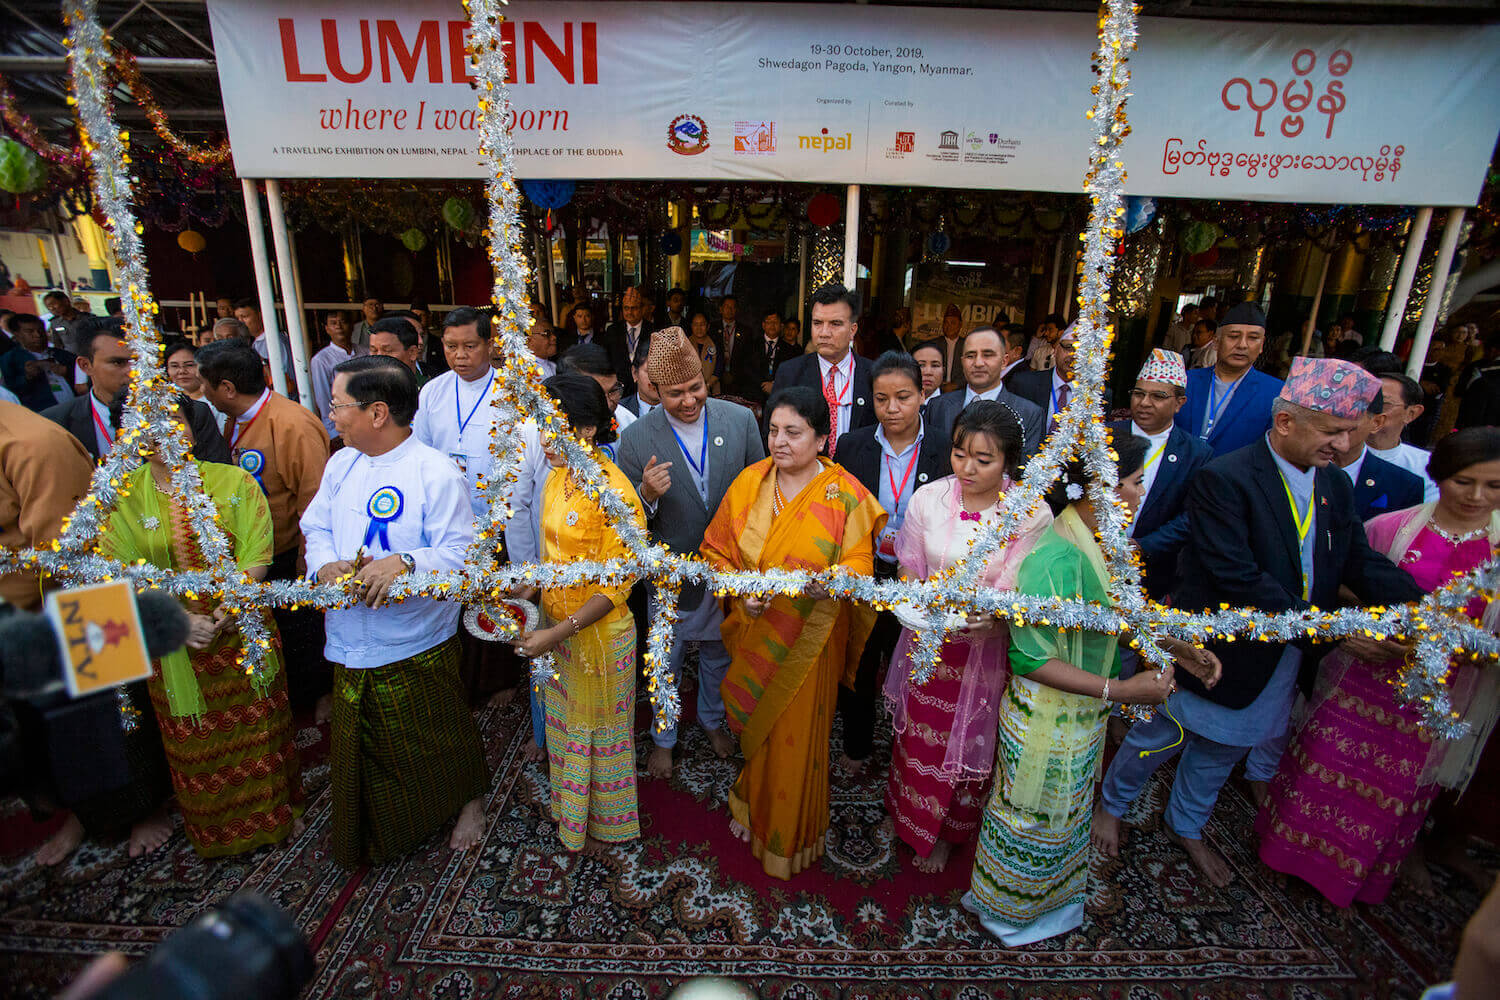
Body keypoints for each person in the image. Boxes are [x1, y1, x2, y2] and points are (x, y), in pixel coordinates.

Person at [1095, 359, 1425, 888]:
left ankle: (1188, 823)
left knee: (1223, 751)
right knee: (1157, 736)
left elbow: (1359, 560)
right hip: (1213, 648)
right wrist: (1335, 630)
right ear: (1287, 422)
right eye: (1332, 432)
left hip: (1282, 654)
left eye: (1349, 432)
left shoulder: (1334, 486)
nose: (1343, 446)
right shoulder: (1224, 479)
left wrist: (1424, 611)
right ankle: (1112, 805)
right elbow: (1238, 577)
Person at [964, 437, 1219, 946]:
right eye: (1133, 481)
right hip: (1046, 718)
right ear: (1099, 488)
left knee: (1064, 811)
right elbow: (1030, 659)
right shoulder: (1055, 558)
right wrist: (1121, 689)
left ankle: (1047, 901)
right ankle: (1009, 912)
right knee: (1032, 818)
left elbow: (1106, 619)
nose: (1140, 491)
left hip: (1080, 713)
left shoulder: (1095, 542)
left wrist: (1176, 646)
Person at [1256, 427, 1500, 906]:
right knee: (1324, 768)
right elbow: (1339, 584)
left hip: (1437, 698)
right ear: (1440, 476)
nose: (1477, 496)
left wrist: (1428, 645)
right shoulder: (1393, 528)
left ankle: (1349, 880)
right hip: (1364, 679)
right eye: (1464, 481)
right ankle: (1284, 857)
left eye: (1494, 486)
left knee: (1394, 792)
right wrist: (1370, 629)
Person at [95, 396, 305, 859]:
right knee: (192, 735)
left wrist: (233, 603)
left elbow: (257, 550)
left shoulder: (232, 481)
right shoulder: (121, 500)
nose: (168, 431)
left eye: (176, 420)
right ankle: (217, 832)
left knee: (261, 724)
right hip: (170, 639)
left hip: (240, 622)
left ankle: (274, 816)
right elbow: (117, 572)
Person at [301, 355, 488, 866]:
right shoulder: (341, 463)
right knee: (364, 741)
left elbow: (462, 555)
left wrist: (405, 561)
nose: (331, 415)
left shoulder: (435, 472)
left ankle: (468, 797)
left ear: (378, 412)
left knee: (436, 731)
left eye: (338, 405)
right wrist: (323, 567)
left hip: (415, 635)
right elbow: (315, 527)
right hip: (348, 630)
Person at [699, 386, 886, 879]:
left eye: (793, 433)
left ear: (823, 439)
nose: (779, 442)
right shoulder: (750, 483)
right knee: (761, 727)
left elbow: (860, 562)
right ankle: (749, 800)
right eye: (773, 431)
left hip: (811, 639)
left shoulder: (846, 494)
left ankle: (791, 829)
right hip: (756, 631)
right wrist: (741, 592)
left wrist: (839, 580)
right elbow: (715, 552)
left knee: (798, 734)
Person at [880, 399, 1044, 872]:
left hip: (985, 650)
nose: (966, 468)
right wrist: (915, 601)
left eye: (983, 459)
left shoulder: (1029, 515)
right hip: (927, 639)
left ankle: (950, 831)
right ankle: (907, 813)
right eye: (958, 453)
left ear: (1010, 463)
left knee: (971, 739)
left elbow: (1026, 590)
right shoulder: (930, 498)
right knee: (916, 735)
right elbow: (911, 565)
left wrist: (997, 619)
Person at [617, 328, 766, 777]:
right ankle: (664, 737)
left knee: (719, 654)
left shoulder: (738, 422)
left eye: (696, 388)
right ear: (654, 389)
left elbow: (761, 489)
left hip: (725, 569)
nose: (689, 401)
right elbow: (623, 522)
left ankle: (711, 720)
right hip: (668, 573)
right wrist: (645, 494)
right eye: (676, 393)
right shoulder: (637, 438)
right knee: (667, 657)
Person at [508, 374, 647, 853]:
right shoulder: (557, 478)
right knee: (567, 729)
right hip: (556, 627)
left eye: (552, 426)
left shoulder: (616, 493)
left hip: (601, 639)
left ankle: (605, 829)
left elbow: (616, 588)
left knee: (600, 734)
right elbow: (553, 562)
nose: (543, 439)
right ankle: (573, 818)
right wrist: (524, 597)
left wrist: (558, 633)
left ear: (587, 430)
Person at [834, 352, 954, 778]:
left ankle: (913, 750)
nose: (892, 408)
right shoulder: (852, 445)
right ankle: (857, 743)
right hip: (868, 573)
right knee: (860, 662)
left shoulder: (944, 446)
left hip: (920, 580)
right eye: (882, 398)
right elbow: (840, 511)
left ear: (923, 395)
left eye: (903, 397)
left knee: (917, 665)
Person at [196, 340, 331, 716]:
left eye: (204, 384)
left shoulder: (292, 424)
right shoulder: (230, 422)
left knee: (301, 631)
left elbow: (314, 498)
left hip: (287, 554)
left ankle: (320, 698)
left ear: (226, 388)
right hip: (249, 554)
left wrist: (309, 561)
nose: (200, 392)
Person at [411, 306, 528, 707]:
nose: (460, 355)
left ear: (490, 344)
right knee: (454, 597)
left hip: (498, 514)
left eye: (470, 346)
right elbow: (422, 453)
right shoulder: (433, 391)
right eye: (451, 346)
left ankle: (501, 678)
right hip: (449, 515)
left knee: (496, 597)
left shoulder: (511, 392)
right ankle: (457, 676)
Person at [45, 319, 229, 464]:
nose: (134, 372)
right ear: (85, 365)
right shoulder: (56, 425)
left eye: (139, 362)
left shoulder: (194, 414)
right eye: (118, 362)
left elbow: (219, 483)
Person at [1109, 349, 1213, 598]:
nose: (1144, 403)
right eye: (1139, 394)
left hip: (1151, 572)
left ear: (1179, 403)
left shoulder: (1195, 453)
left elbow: (1191, 516)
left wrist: (1143, 547)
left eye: (1157, 396)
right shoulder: (1106, 435)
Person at [771, 284, 876, 459]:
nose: (824, 333)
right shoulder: (790, 373)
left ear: (852, 330)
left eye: (835, 324)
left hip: (857, 480)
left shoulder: (873, 374)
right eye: (817, 323)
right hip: (806, 478)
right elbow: (772, 431)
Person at [1176, 301, 1283, 457]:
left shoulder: (1275, 392)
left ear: (1261, 346)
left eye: (1253, 338)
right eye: (1233, 336)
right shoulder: (1186, 380)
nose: (1242, 345)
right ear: (1216, 342)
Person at [925, 326, 1046, 458]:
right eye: (970, 356)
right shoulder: (938, 406)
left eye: (987, 355)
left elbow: (1026, 471)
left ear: (1004, 361)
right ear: (962, 361)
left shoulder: (1029, 414)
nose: (978, 363)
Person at [1330, 386, 1424, 521]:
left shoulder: (1404, 485)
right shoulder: (1295, 466)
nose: (1335, 429)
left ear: (1376, 423)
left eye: (1349, 423)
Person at [1366, 370, 1439, 502]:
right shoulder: (1334, 453)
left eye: (1383, 404)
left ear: (1411, 413)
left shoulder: (1427, 465)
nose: (1370, 410)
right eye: (1366, 401)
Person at [309, 309, 366, 437]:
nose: (339, 326)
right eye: (333, 323)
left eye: (343, 322)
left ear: (352, 327)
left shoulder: (365, 352)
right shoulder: (321, 360)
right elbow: (323, 398)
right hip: (340, 427)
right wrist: (333, 431)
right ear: (327, 329)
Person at [0, 312, 74, 411]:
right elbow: (9, 392)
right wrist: (27, 377)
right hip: (42, 415)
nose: (38, 335)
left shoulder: (61, 354)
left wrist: (67, 371)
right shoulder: (10, 359)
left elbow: (86, 375)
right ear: (17, 334)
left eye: (40, 330)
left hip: (75, 408)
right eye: (30, 331)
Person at [233, 299, 297, 399]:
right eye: (237, 318)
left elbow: (285, 379)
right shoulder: (256, 342)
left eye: (245, 317)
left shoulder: (274, 341)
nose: (240, 322)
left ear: (260, 315)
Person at [733, 309, 789, 405]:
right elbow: (745, 368)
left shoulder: (788, 349)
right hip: (754, 396)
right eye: (768, 322)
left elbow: (790, 372)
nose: (772, 325)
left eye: (775, 322)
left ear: (781, 325)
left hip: (779, 398)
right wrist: (763, 384)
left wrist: (774, 384)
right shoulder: (751, 345)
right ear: (763, 325)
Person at [603, 286, 654, 386]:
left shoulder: (653, 331)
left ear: (642, 309)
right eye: (626, 308)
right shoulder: (613, 330)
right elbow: (606, 359)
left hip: (644, 385)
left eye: (633, 308)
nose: (629, 312)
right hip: (618, 387)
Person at [367, 316, 429, 387]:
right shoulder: (361, 392)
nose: (379, 357)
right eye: (374, 350)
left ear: (412, 352)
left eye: (387, 351)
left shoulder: (429, 392)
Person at [618, 335, 659, 418]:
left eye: (663, 371)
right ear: (634, 373)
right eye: (650, 371)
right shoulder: (619, 411)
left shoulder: (680, 411)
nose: (656, 378)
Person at [713, 295, 750, 381]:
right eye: (727, 306)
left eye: (733, 307)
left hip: (738, 377)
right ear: (721, 309)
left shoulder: (746, 331)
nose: (730, 310)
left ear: (737, 310)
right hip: (715, 376)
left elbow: (747, 358)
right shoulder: (712, 328)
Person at [687, 310, 721, 394]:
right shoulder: (685, 344)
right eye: (695, 324)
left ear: (708, 326)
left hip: (712, 389)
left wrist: (708, 385)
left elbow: (719, 368)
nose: (699, 328)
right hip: (690, 390)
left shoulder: (715, 343)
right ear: (691, 326)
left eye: (702, 324)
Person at [911, 340, 945, 409]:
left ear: (943, 371)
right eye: (921, 365)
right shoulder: (897, 406)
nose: (928, 372)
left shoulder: (955, 408)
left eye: (935, 365)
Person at [526, 309, 558, 380]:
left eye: (553, 333)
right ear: (529, 340)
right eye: (547, 334)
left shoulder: (556, 367)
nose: (554, 337)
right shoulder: (522, 369)